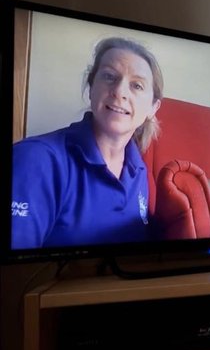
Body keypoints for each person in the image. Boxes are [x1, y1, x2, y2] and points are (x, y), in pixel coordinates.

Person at [11, 36, 163, 249]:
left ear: (152, 108)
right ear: (91, 88)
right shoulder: (35, 160)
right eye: (109, 76)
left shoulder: (138, 169)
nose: (120, 91)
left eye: (137, 85)